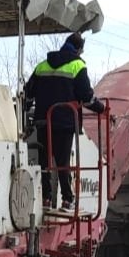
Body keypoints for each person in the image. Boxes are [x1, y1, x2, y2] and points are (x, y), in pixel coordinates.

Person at [24, 31, 105, 211]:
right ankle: (67, 200)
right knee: (62, 162)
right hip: (65, 122)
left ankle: (45, 199)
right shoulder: (77, 65)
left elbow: (28, 92)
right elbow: (87, 97)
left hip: (43, 121)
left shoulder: (42, 65)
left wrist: (26, 109)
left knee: (44, 161)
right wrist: (101, 108)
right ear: (78, 49)